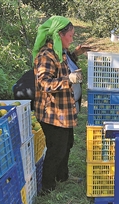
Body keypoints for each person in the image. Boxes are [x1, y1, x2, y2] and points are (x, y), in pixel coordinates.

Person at [32, 16, 90, 194]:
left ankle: (62, 176)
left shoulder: (60, 52)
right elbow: (44, 83)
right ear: (59, 35)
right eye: (70, 36)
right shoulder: (45, 55)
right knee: (56, 149)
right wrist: (68, 80)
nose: (72, 39)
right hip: (53, 113)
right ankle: (47, 186)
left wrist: (76, 54)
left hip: (64, 110)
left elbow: (62, 66)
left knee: (67, 144)